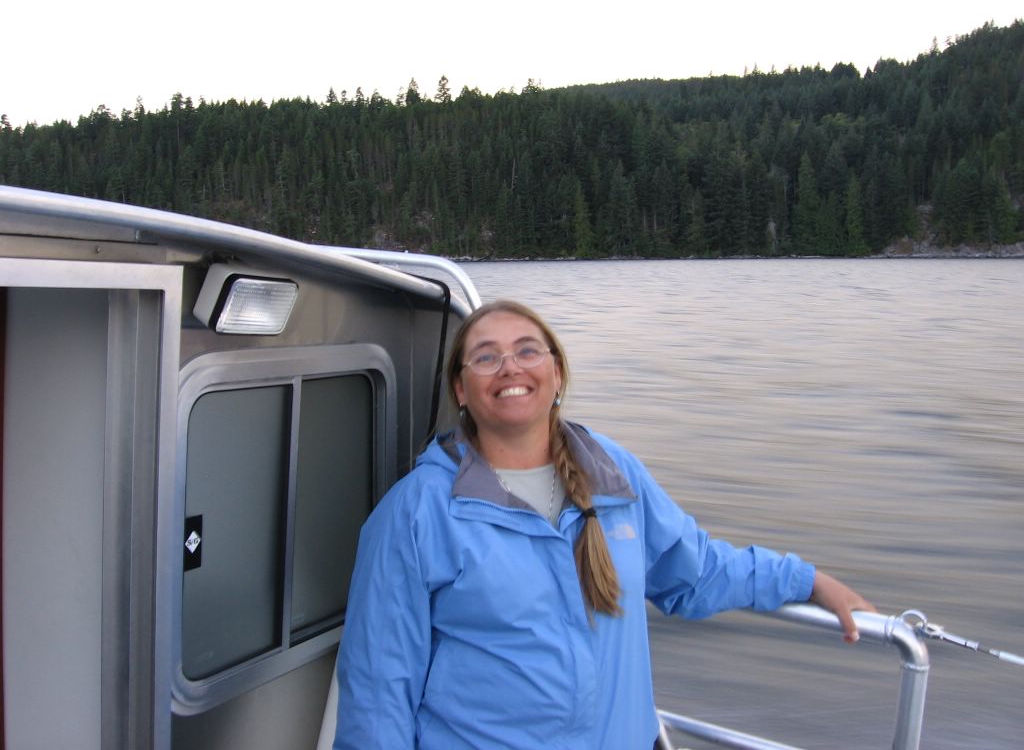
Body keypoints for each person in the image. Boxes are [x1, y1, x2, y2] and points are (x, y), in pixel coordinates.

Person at [332, 299, 875, 750]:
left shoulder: (612, 474)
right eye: (486, 357)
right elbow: (380, 690)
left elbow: (697, 571)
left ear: (557, 373)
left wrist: (808, 580)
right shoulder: (417, 512)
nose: (510, 368)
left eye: (527, 350)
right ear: (460, 390)